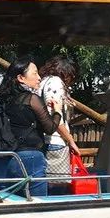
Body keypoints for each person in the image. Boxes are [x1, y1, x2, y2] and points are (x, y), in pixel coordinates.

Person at [0, 58, 80, 197]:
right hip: (30, 157)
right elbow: (50, 128)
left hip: (4, 157)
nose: (39, 77)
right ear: (21, 78)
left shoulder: (3, 100)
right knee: (39, 202)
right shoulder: (31, 99)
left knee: (9, 201)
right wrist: (57, 110)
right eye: (35, 74)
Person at [38, 55, 81, 183]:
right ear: (66, 72)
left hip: (42, 138)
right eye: (71, 75)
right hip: (55, 141)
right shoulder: (56, 82)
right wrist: (71, 141)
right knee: (58, 184)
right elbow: (56, 117)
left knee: (45, 181)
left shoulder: (43, 81)